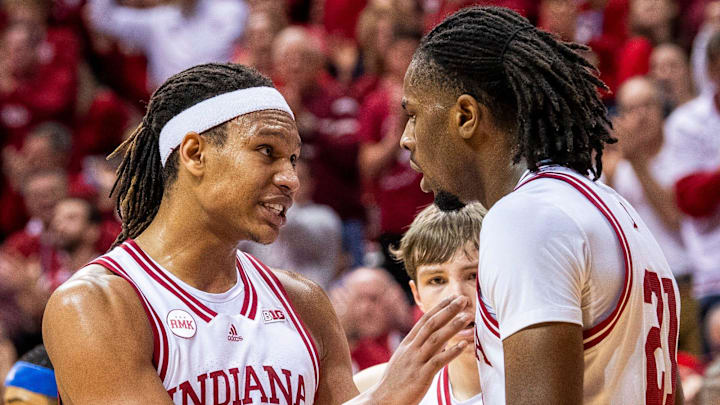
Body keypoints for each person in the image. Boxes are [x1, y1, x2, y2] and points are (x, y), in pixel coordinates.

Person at [42, 63, 471, 404]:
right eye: (267, 151)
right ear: (195, 153)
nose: (290, 179)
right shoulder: (96, 304)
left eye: (294, 159)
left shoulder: (303, 301)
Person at [399, 6, 680, 404]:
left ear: (465, 115)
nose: (406, 138)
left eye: (412, 114)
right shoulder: (615, 208)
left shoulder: (526, 220)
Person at [354, 203, 485, 404]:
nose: (458, 298)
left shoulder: (548, 382)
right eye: (437, 280)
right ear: (418, 297)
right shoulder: (371, 388)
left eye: (473, 275)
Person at [607, 76, 699, 354]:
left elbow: (674, 216)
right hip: (642, 295)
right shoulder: (614, 167)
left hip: (685, 284)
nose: (641, 115)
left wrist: (637, 163)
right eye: (631, 109)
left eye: (647, 105)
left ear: (662, 109)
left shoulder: (681, 153)